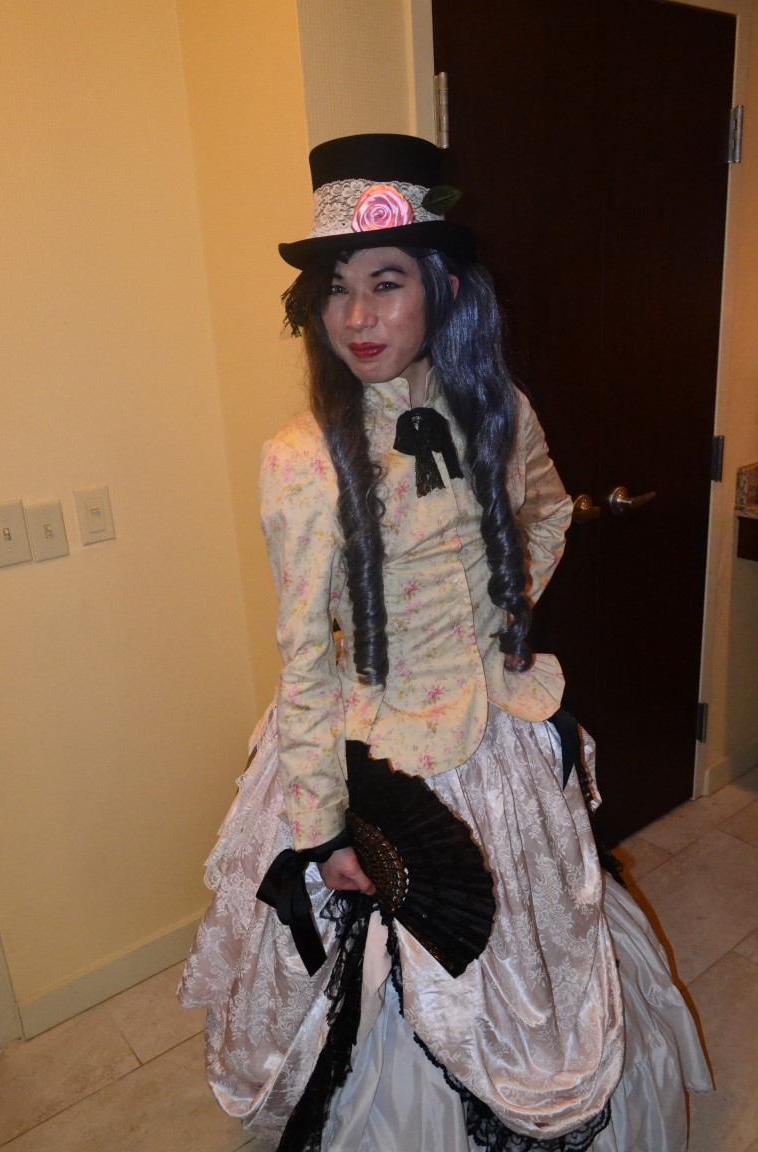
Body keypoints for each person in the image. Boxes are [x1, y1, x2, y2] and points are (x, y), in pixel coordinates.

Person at [179, 133, 711, 1152]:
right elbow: (305, 659)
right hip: (372, 751)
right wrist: (323, 831)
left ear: (444, 288)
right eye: (337, 289)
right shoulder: (301, 459)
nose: (358, 317)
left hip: (496, 732)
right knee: (389, 984)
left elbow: (546, 513)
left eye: (386, 283)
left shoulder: (500, 412)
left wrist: (500, 618)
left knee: (538, 965)